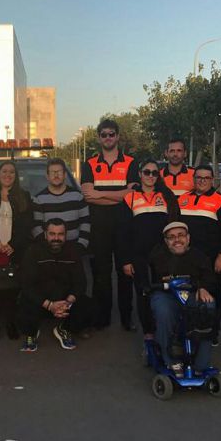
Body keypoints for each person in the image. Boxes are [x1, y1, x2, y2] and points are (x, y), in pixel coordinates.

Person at [80, 118, 139, 330]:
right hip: (99, 228)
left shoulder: (132, 163)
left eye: (111, 134)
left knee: (126, 273)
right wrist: (118, 194)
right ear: (99, 138)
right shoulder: (89, 164)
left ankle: (126, 318)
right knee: (100, 274)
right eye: (104, 134)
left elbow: (132, 194)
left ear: (117, 136)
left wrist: (100, 193)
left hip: (124, 226)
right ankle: (102, 317)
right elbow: (88, 197)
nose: (108, 137)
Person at [116, 158, 179, 341]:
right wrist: (126, 261)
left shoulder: (166, 196)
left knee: (165, 291)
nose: (150, 176)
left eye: (154, 173)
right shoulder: (130, 198)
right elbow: (122, 233)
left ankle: (166, 327)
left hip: (163, 255)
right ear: (140, 174)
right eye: (147, 172)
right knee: (143, 292)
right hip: (139, 255)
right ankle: (149, 332)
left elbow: (174, 225)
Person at [148, 221, 216, 376]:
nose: (177, 240)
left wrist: (203, 287)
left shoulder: (199, 256)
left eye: (181, 236)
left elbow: (209, 277)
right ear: (166, 241)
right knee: (163, 311)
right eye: (171, 237)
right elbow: (148, 281)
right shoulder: (157, 256)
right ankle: (171, 361)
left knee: (208, 306)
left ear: (188, 238)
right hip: (166, 295)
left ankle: (201, 364)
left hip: (192, 294)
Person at [176, 164, 221, 346]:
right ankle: (190, 329)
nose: (202, 181)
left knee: (213, 294)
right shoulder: (183, 199)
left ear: (212, 180)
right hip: (187, 258)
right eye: (198, 177)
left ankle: (212, 332)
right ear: (194, 179)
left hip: (212, 259)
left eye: (206, 178)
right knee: (188, 293)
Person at [17, 219, 93, 352]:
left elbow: (81, 283)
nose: (56, 238)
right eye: (52, 234)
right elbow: (26, 284)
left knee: (89, 307)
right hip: (41, 301)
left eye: (60, 234)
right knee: (24, 302)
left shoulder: (73, 252)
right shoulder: (33, 251)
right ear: (45, 234)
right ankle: (31, 333)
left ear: (66, 235)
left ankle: (63, 329)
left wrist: (68, 302)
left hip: (65, 300)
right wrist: (49, 305)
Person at [0, 161, 33, 343]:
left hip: (13, 251)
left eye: (11, 172)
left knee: (11, 290)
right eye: (4, 171)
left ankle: (11, 323)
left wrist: (13, 245)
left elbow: (27, 226)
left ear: (16, 176)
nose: (7, 175)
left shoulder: (23, 196)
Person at [31, 158, 90, 252]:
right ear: (47, 176)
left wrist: (81, 245)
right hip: (48, 251)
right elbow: (36, 227)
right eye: (52, 172)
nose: (56, 175)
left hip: (75, 250)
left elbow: (86, 223)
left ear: (65, 175)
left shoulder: (78, 197)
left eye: (59, 172)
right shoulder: (38, 200)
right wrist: (46, 247)